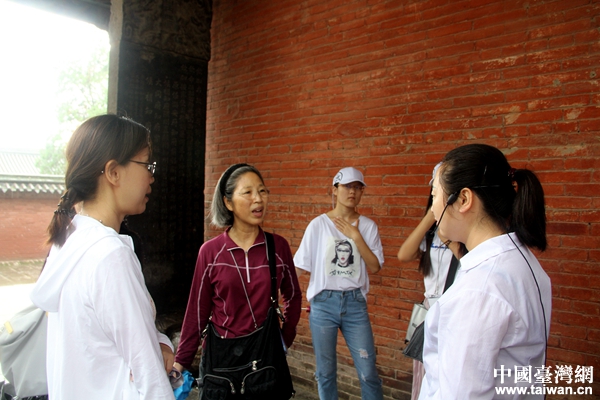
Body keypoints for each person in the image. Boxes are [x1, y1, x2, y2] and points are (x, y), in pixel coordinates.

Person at [29, 114, 175, 400]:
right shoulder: (110, 255)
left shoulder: (71, 240)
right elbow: (149, 375)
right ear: (113, 173)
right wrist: (156, 346)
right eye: (147, 164)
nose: (151, 176)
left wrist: (159, 341)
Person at [419, 144, 551, 399]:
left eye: (435, 195)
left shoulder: (479, 291)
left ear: (464, 200)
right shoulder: (520, 261)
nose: (433, 209)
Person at [173, 163, 302, 386]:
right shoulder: (211, 252)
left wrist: (284, 338)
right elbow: (197, 310)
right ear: (228, 202)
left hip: (265, 361)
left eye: (262, 191)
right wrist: (180, 363)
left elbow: (293, 296)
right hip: (223, 360)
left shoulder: (277, 247)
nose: (258, 199)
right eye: (248, 192)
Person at [294, 167, 384, 400]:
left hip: (355, 303)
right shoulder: (318, 225)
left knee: (368, 371)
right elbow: (300, 266)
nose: (352, 192)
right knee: (325, 372)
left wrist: (356, 237)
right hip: (323, 304)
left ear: (362, 192)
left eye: (357, 187)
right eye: (346, 186)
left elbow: (374, 266)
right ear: (335, 190)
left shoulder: (368, 226)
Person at [397, 163, 465, 400]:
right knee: (424, 378)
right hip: (430, 310)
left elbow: (468, 264)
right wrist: (431, 217)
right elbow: (404, 254)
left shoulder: (462, 232)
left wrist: (450, 238)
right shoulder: (432, 230)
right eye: (433, 192)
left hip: (453, 311)